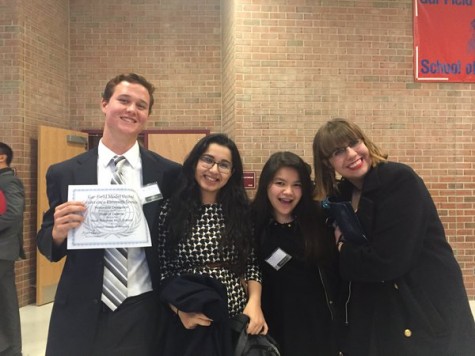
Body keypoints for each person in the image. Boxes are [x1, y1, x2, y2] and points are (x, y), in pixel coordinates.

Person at [37, 73, 181, 356]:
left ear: (147, 116)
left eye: (141, 105)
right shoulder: (65, 172)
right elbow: (47, 244)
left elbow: (175, 240)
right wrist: (57, 232)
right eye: (124, 100)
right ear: (104, 104)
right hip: (80, 306)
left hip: (144, 306)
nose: (131, 110)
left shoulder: (169, 174)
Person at [312, 118, 475, 356]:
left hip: (424, 306)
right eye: (338, 151)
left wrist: (343, 251)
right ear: (327, 164)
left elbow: (389, 261)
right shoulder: (344, 194)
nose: (351, 154)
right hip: (385, 310)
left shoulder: (399, 180)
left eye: (354, 143)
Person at [156, 133, 267, 355]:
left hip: (237, 319)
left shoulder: (241, 211)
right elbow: (162, 270)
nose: (214, 170)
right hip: (190, 320)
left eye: (224, 165)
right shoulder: (171, 210)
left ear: (232, 173)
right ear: (195, 161)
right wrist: (179, 311)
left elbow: (252, 264)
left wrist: (255, 304)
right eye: (208, 160)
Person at [251, 151, 339, 356]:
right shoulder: (252, 223)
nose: (288, 192)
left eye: (297, 185)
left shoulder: (319, 220)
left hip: (319, 325)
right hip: (272, 326)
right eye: (280, 183)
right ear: (266, 185)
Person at [0, 143, 25, 356]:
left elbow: (14, 213)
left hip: (2, 251)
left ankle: (11, 350)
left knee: (5, 301)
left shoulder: (9, 181)